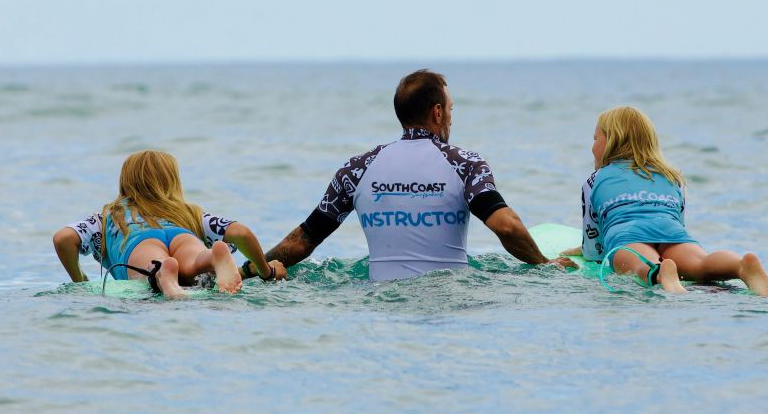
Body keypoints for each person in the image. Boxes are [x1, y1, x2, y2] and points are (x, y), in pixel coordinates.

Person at [246, 69, 576, 281]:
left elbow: (303, 240)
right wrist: (543, 264)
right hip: (451, 295)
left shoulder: (357, 168)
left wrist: (250, 269)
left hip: (379, 301)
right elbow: (506, 225)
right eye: (450, 110)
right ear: (437, 113)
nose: (450, 118)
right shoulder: (465, 164)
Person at [569, 106, 768, 297]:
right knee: (700, 264)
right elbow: (679, 219)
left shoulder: (595, 180)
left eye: (595, 138)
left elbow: (593, 236)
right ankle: (740, 266)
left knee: (640, 264)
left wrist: (588, 253)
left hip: (627, 235)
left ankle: (660, 272)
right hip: (673, 233)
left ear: (611, 141)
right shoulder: (670, 175)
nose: (592, 145)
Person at [53, 150, 286, 298]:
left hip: (138, 243)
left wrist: (79, 280)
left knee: (155, 266)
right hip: (182, 234)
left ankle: (163, 273)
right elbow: (241, 233)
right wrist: (266, 272)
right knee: (195, 262)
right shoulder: (190, 212)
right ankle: (212, 258)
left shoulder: (108, 215)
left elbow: (63, 238)